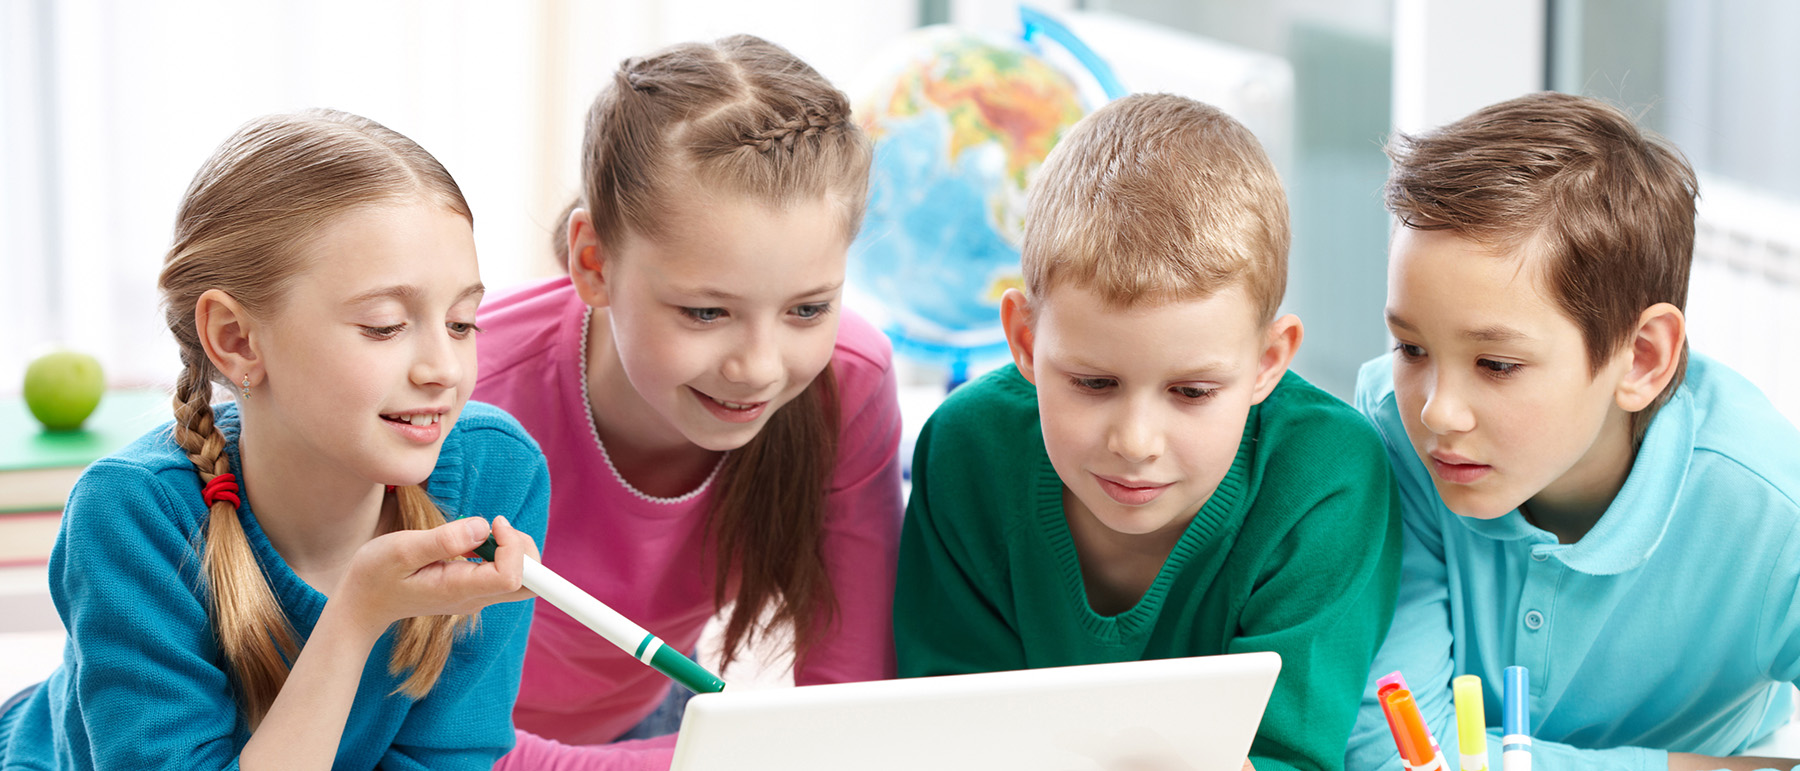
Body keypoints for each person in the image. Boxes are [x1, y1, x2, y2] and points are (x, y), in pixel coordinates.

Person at [0, 109, 547, 770]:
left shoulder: (498, 474)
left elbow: (445, 758)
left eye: (462, 322)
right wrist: (356, 616)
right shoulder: (130, 514)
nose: (444, 369)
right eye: (384, 325)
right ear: (235, 340)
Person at [893, 93, 1402, 771]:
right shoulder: (968, 451)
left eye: (1191, 392)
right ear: (1023, 338)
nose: (1136, 441)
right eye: (1093, 383)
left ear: (1269, 361)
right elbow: (948, 732)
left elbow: (1289, 755)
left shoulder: (1326, 479)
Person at [475, 35, 902, 768]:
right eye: (706, 312)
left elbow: (848, 703)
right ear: (593, 262)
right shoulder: (465, 400)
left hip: (658, 723)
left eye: (807, 309)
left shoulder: (849, 384)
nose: (758, 368)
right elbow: (417, 734)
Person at [1345, 92, 1800, 771]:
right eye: (1410, 348)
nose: (1437, 411)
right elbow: (1395, 754)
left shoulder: (1769, 509)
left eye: (1496, 364)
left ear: (1641, 358)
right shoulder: (1390, 432)